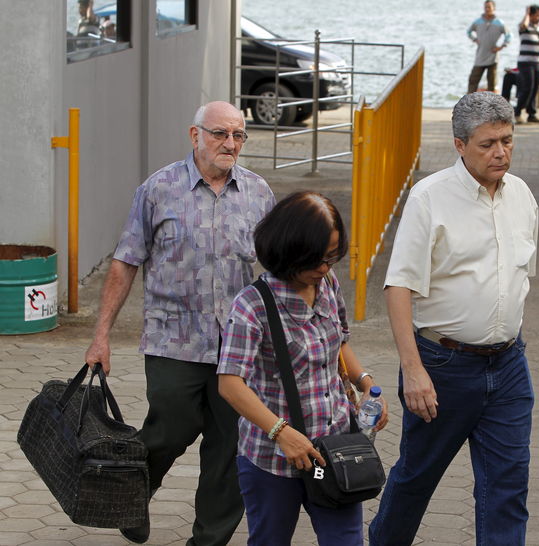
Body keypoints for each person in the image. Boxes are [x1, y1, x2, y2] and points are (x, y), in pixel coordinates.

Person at [84, 101, 276, 544]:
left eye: (239, 136)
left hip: (239, 348)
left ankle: (208, 540)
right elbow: (125, 262)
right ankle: (132, 497)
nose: (230, 144)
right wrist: (101, 337)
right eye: (219, 134)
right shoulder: (157, 190)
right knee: (170, 428)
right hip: (174, 341)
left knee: (230, 449)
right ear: (195, 135)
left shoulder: (259, 193)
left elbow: (275, 268)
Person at [369, 91, 539, 546]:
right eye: (487, 144)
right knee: (415, 479)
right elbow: (398, 286)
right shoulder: (429, 198)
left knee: (507, 488)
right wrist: (413, 370)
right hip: (442, 368)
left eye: (507, 140)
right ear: (460, 145)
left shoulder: (522, 196)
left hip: (508, 367)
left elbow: (521, 278)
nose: (500, 152)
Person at [217, 191, 388, 546]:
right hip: (272, 460)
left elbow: (340, 341)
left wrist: (366, 383)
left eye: (331, 258)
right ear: (288, 249)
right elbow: (230, 384)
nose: (325, 268)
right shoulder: (252, 305)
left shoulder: (327, 285)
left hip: (336, 447)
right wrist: (282, 432)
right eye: (316, 260)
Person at [515, 4, 539, 123]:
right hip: (525, 62)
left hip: (536, 61)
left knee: (535, 87)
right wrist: (527, 14)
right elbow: (523, 25)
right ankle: (517, 112)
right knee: (527, 87)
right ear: (531, 15)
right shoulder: (524, 27)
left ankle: (531, 113)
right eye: (537, 15)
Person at [467, 1, 512, 93]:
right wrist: (475, 39)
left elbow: (509, 35)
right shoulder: (478, 22)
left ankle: (492, 105)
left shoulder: (499, 23)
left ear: (493, 9)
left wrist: (501, 46)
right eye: (486, 7)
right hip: (480, 56)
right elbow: (469, 32)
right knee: (473, 80)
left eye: (489, 7)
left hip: (493, 57)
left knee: (492, 83)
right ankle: (469, 102)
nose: (487, 9)